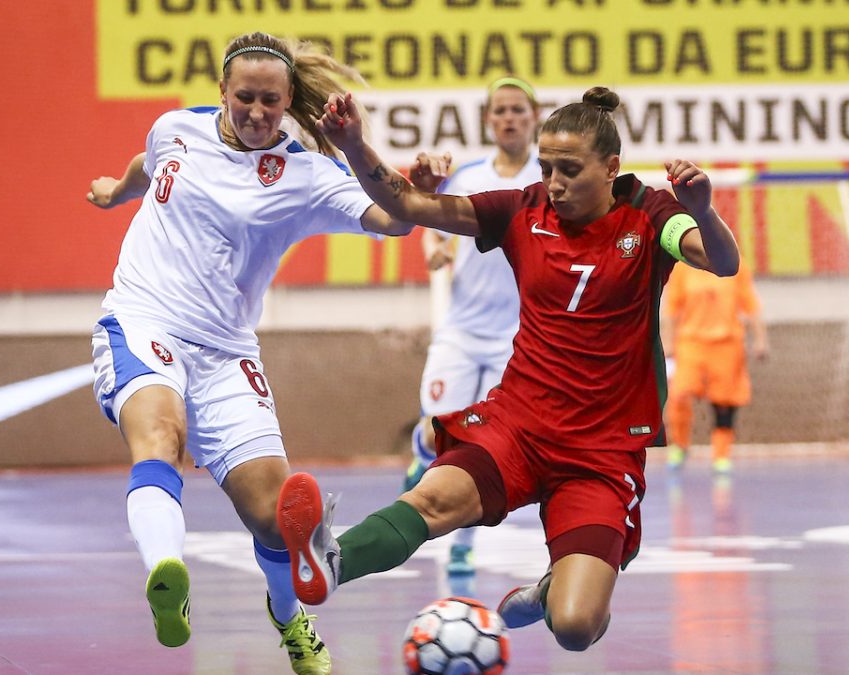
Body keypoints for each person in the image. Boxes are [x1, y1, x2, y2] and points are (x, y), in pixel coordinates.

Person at [276, 86, 740, 652]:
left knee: (575, 627)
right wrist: (353, 145)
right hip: (517, 427)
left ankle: (552, 594)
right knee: (431, 498)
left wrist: (702, 211)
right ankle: (330, 563)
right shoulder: (524, 211)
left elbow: (722, 260)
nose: (554, 182)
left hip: (600, 452)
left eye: (570, 169)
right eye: (546, 167)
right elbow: (409, 205)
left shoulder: (649, 213)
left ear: (611, 167)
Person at [85, 32, 430, 674]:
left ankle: (288, 615)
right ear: (222, 92)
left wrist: (414, 190)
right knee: (160, 436)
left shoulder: (308, 175)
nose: (255, 113)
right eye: (244, 98)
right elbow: (148, 164)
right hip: (142, 320)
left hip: (226, 353)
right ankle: (166, 570)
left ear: (288, 101)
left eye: (270, 102)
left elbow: (394, 221)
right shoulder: (175, 128)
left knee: (274, 518)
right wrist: (116, 192)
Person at [404, 75, 542, 578]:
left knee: (476, 447)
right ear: (489, 120)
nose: (508, 117)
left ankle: (460, 543)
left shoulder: (550, 182)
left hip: (516, 337)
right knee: (432, 433)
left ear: (534, 117)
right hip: (461, 332)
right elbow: (429, 224)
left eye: (517, 110)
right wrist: (435, 248)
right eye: (500, 110)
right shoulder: (466, 179)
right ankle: (420, 459)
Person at [660, 258, 768, 473]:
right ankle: (679, 445)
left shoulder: (735, 265)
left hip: (727, 343)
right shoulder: (682, 268)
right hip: (691, 342)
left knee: (725, 401)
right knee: (679, 394)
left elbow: (751, 305)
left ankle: (721, 455)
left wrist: (760, 340)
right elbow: (671, 308)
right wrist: (668, 341)